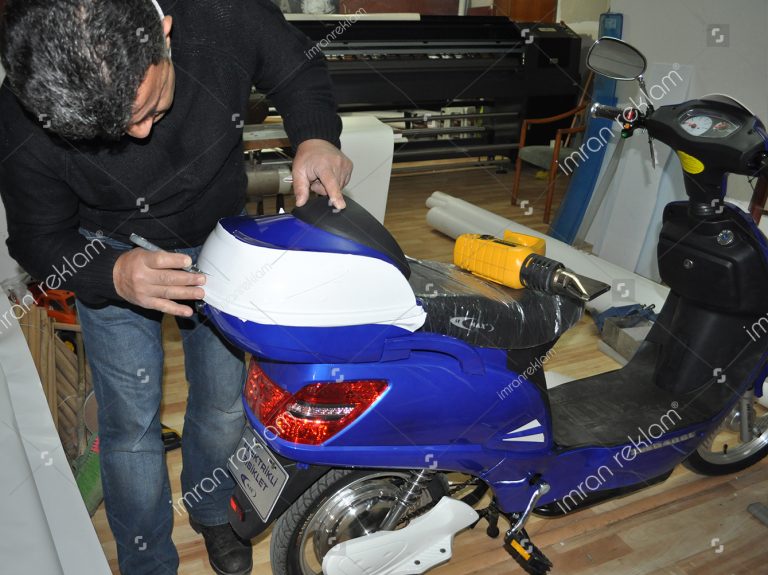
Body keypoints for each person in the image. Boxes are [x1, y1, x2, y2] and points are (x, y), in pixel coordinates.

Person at [0, 1, 352, 574]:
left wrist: (315, 136)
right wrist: (112, 273)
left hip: (220, 237)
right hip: (108, 249)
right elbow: (36, 239)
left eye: (146, 109)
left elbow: (297, 66)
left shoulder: (223, 11)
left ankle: (211, 510)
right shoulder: (28, 103)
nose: (139, 135)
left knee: (222, 402)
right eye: (110, 130)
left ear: (162, 34)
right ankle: (147, 562)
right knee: (129, 427)